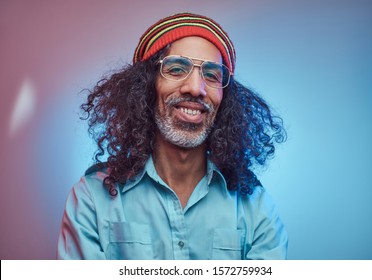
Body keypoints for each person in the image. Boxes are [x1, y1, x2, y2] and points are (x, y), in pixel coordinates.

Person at [57, 12, 288, 260]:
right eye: (177, 69)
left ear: (226, 99)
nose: (195, 88)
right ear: (146, 86)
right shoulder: (93, 199)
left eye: (211, 75)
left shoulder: (255, 207)